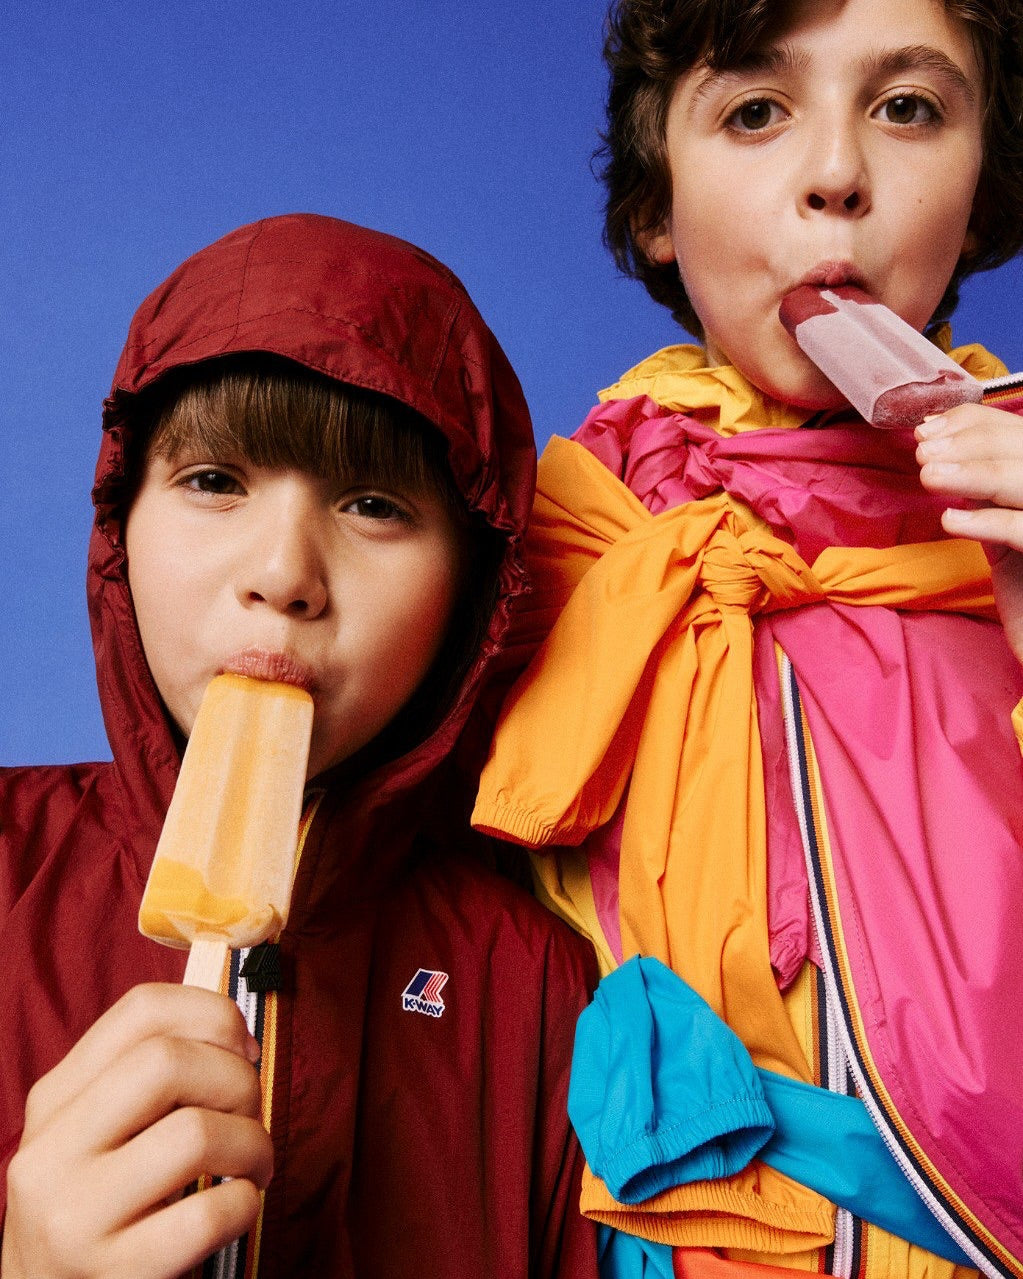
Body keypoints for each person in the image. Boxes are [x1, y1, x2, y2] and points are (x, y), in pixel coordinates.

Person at [472, 3, 1023, 1278]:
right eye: (757, 112)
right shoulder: (555, 543)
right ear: (658, 210)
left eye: (908, 108)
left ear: (980, 194)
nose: (836, 173)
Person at [0, 214, 599, 1279]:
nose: (283, 574)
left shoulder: (541, 983)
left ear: (471, 593)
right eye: (213, 482)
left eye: (374, 505)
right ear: (117, 523)